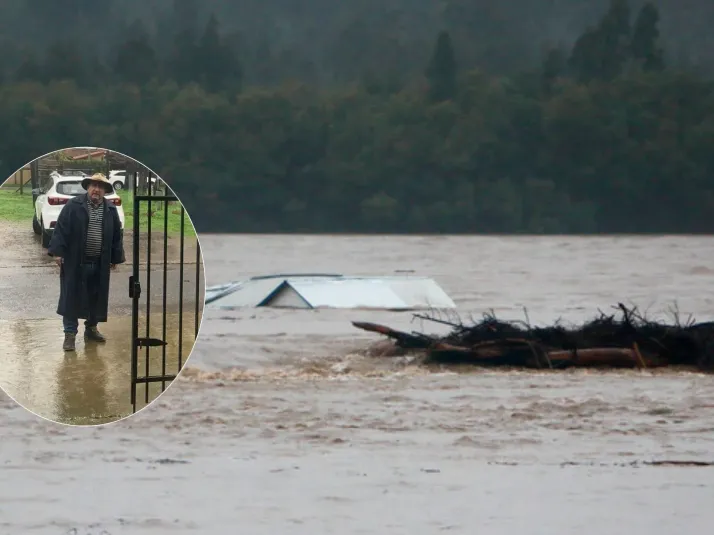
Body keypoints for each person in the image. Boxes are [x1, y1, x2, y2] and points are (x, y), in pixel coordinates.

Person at [47, 172, 126, 351]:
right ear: (88, 188)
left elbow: (116, 236)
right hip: (75, 261)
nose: (96, 190)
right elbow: (61, 229)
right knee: (71, 298)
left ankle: (91, 329)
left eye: (100, 187)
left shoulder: (110, 209)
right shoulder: (73, 206)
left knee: (96, 297)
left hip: (99, 262)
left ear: (105, 191)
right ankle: (69, 335)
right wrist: (58, 253)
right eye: (93, 186)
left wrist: (115, 257)